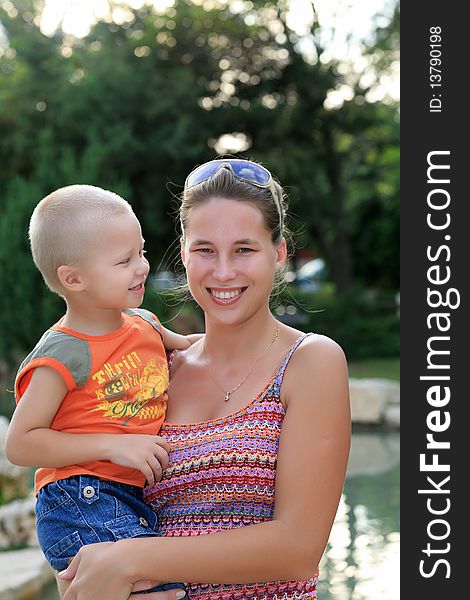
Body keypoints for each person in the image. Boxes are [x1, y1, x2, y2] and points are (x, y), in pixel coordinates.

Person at [58, 159, 351, 600]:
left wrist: (132, 560)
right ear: (183, 252)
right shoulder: (153, 371)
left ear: (279, 253)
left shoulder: (309, 361)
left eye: (245, 250)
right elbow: (81, 494)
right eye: (206, 250)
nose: (224, 271)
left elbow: (297, 547)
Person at [5, 184, 200, 598]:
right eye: (124, 260)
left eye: (141, 253)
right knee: (160, 590)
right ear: (73, 279)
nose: (142, 267)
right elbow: (21, 445)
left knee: (168, 585)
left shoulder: (145, 324)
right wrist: (114, 446)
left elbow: (198, 350)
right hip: (79, 496)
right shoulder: (63, 353)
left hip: (131, 496)